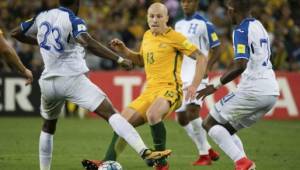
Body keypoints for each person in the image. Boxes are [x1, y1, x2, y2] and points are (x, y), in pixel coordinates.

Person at [11, 0, 171, 170]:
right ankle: (144, 151)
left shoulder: (42, 16)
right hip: (71, 80)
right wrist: (119, 59)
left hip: (48, 83)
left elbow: (16, 33)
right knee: (111, 113)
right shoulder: (73, 20)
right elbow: (87, 41)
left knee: (48, 127)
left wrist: (42, 41)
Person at [83, 2, 208, 170]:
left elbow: (201, 57)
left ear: (167, 18)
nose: (155, 20)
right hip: (150, 90)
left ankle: (161, 164)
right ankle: (106, 162)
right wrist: (125, 51)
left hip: (171, 89)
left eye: (159, 16)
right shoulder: (147, 36)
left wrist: (194, 84)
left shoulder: (175, 37)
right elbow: (142, 61)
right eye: (151, 16)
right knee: (122, 121)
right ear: (147, 18)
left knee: (153, 114)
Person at [196, 0, 279, 170]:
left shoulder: (241, 29)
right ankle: (246, 166)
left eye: (229, 10)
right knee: (226, 130)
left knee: (209, 124)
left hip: (253, 89)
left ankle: (242, 163)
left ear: (234, 10)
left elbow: (240, 64)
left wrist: (216, 85)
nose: (227, 13)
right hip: (271, 91)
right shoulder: (259, 25)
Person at [174, 0, 221, 166]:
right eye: (183, 2)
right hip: (181, 75)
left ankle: (204, 156)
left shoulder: (205, 24)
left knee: (193, 111)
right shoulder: (178, 24)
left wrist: (207, 67)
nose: (185, 4)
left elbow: (217, 48)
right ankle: (207, 148)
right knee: (180, 118)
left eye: (189, 1)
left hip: (197, 74)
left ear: (196, 3)